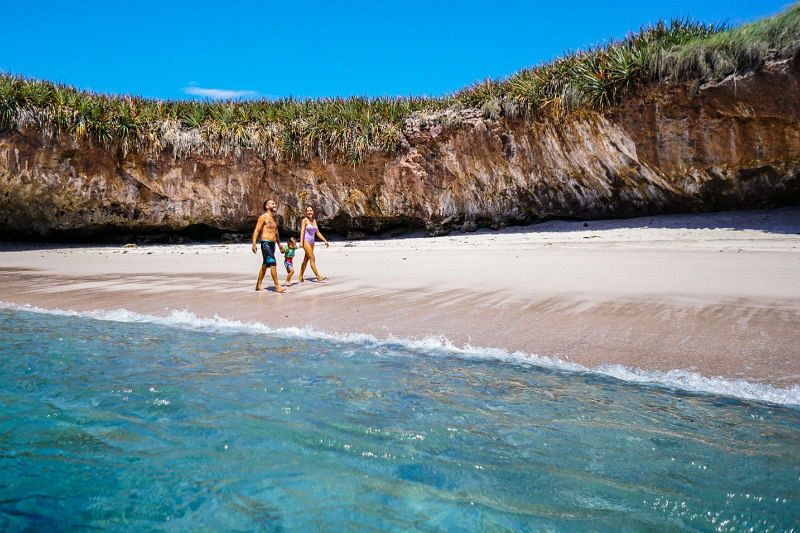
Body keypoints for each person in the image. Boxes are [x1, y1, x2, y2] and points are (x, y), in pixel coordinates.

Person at [251, 199, 285, 293]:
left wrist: (279, 245)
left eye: (275, 203)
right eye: (272, 203)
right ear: (267, 206)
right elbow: (257, 230)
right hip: (265, 243)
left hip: (272, 244)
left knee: (265, 265)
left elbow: (276, 233)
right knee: (273, 263)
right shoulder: (263, 217)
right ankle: (277, 286)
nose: (275, 205)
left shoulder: (273, 218)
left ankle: (258, 286)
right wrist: (254, 244)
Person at [299, 205, 329, 282]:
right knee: (312, 259)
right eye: (308, 211)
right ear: (306, 213)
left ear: (313, 212)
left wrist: (325, 240)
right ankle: (318, 276)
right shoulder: (304, 220)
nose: (309, 212)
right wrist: (301, 242)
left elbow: (317, 232)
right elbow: (302, 231)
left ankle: (300, 276)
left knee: (306, 259)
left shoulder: (314, 221)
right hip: (306, 241)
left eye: (311, 210)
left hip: (312, 242)